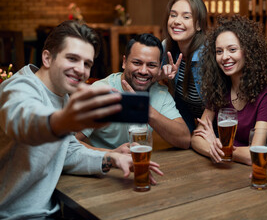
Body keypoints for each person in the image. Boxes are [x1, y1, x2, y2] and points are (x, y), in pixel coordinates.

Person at [0, 21, 163, 219]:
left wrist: (112, 158)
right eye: (72, 58)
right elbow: (25, 121)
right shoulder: (19, 88)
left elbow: (66, 150)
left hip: (53, 208)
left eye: (87, 64)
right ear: (47, 57)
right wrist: (66, 120)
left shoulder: (62, 94)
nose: (80, 70)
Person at [76, 33, 191, 150]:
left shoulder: (159, 93)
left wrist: (146, 111)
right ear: (124, 62)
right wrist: (110, 155)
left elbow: (185, 140)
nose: (143, 71)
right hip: (102, 165)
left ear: (159, 67)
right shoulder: (100, 92)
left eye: (151, 65)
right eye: (137, 63)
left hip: (139, 164)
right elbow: (68, 144)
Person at [191, 16, 267, 165]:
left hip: (262, 173)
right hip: (226, 168)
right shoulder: (219, 88)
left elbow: (255, 152)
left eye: (232, 49)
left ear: (248, 51)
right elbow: (196, 139)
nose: (224, 57)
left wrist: (218, 145)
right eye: (219, 51)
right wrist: (214, 148)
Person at [161, 0, 208, 133]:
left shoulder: (209, 53)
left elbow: (218, 100)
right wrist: (162, 75)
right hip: (185, 111)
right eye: (173, 15)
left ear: (199, 25)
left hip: (214, 115)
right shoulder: (166, 47)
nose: (176, 21)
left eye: (186, 17)